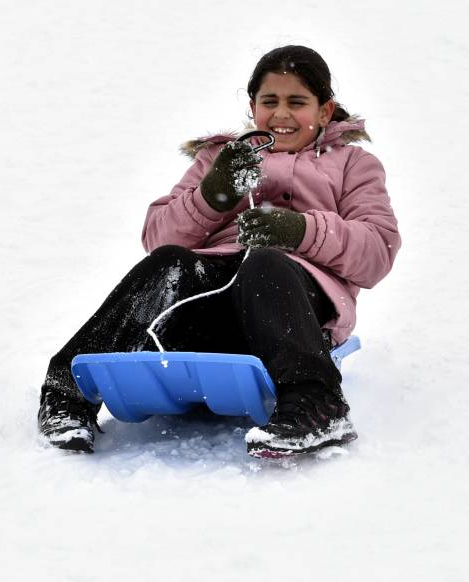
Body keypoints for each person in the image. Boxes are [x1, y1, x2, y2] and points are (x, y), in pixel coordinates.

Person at [37, 45, 401, 458]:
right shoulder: (219, 157)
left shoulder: (353, 164)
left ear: (324, 110)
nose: (281, 114)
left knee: (266, 263)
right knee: (168, 263)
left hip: (292, 307)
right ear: (252, 107)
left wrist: (299, 230)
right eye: (270, 102)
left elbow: (377, 251)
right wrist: (213, 194)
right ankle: (66, 394)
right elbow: (158, 237)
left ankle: (316, 406)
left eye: (297, 102)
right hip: (208, 301)